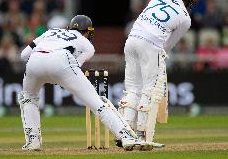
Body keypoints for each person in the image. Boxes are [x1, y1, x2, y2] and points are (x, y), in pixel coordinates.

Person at [18, 15, 150, 151]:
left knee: (28, 98)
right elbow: (90, 51)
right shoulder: (82, 39)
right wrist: (69, 70)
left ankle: (32, 141)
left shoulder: (50, 31)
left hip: (34, 61)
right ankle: (126, 137)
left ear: (69, 27)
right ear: (88, 31)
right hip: (62, 61)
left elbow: (23, 55)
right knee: (97, 103)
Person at [118, 0, 194, 149]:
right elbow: (168, 44)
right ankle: (142, 136)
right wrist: (160, 55)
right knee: (149, 90)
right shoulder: (185, 18)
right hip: (150, 45)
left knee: (132, 89)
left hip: (131, 40)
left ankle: (124, 132)